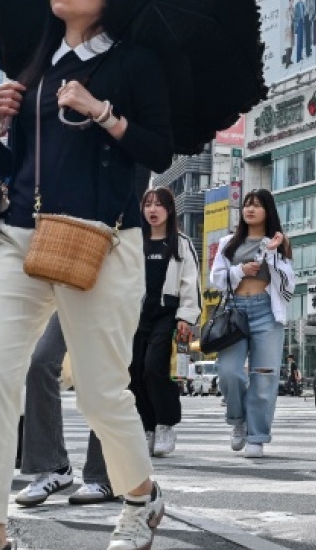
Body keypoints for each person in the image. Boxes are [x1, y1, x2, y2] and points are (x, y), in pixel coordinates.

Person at [0, 0, 173, 550]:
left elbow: (158, 152)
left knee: (103, 389)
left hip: (101, 239)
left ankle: (139, 496)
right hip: (20, 237)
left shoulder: (134, 64)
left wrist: (101, 111)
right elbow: (19, 170)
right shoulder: (38, 68)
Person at [209, 189, 295, 459]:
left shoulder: (279, 243)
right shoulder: (228, 243)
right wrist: (239, 271)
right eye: (247, 204)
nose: (250, 209)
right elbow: (216, 279)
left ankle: (256, 435)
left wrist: (271, 253)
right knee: (228, 372)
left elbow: (288, 285)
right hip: (236, 313)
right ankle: (238, 420)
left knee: (264, 375)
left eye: (257, 205)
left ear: (268, 211)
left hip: (266, 313)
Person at [15, 314, 118, 508]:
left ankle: (103, 475)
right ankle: (53, 467)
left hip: (112, 292)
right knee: (40, 362)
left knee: (103, 372)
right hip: (65, 290)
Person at [134, 186, 201, 458]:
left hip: (167, 314)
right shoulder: (134, 240)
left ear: (169, 210)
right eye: (148, 204)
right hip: (136, 314)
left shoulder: (180, 242)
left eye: (158, 204)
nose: (152, 209)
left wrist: (186, 317)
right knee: (134, 369)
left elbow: (190, 281)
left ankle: (165, 424)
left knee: (154, 368)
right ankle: (147, 426)